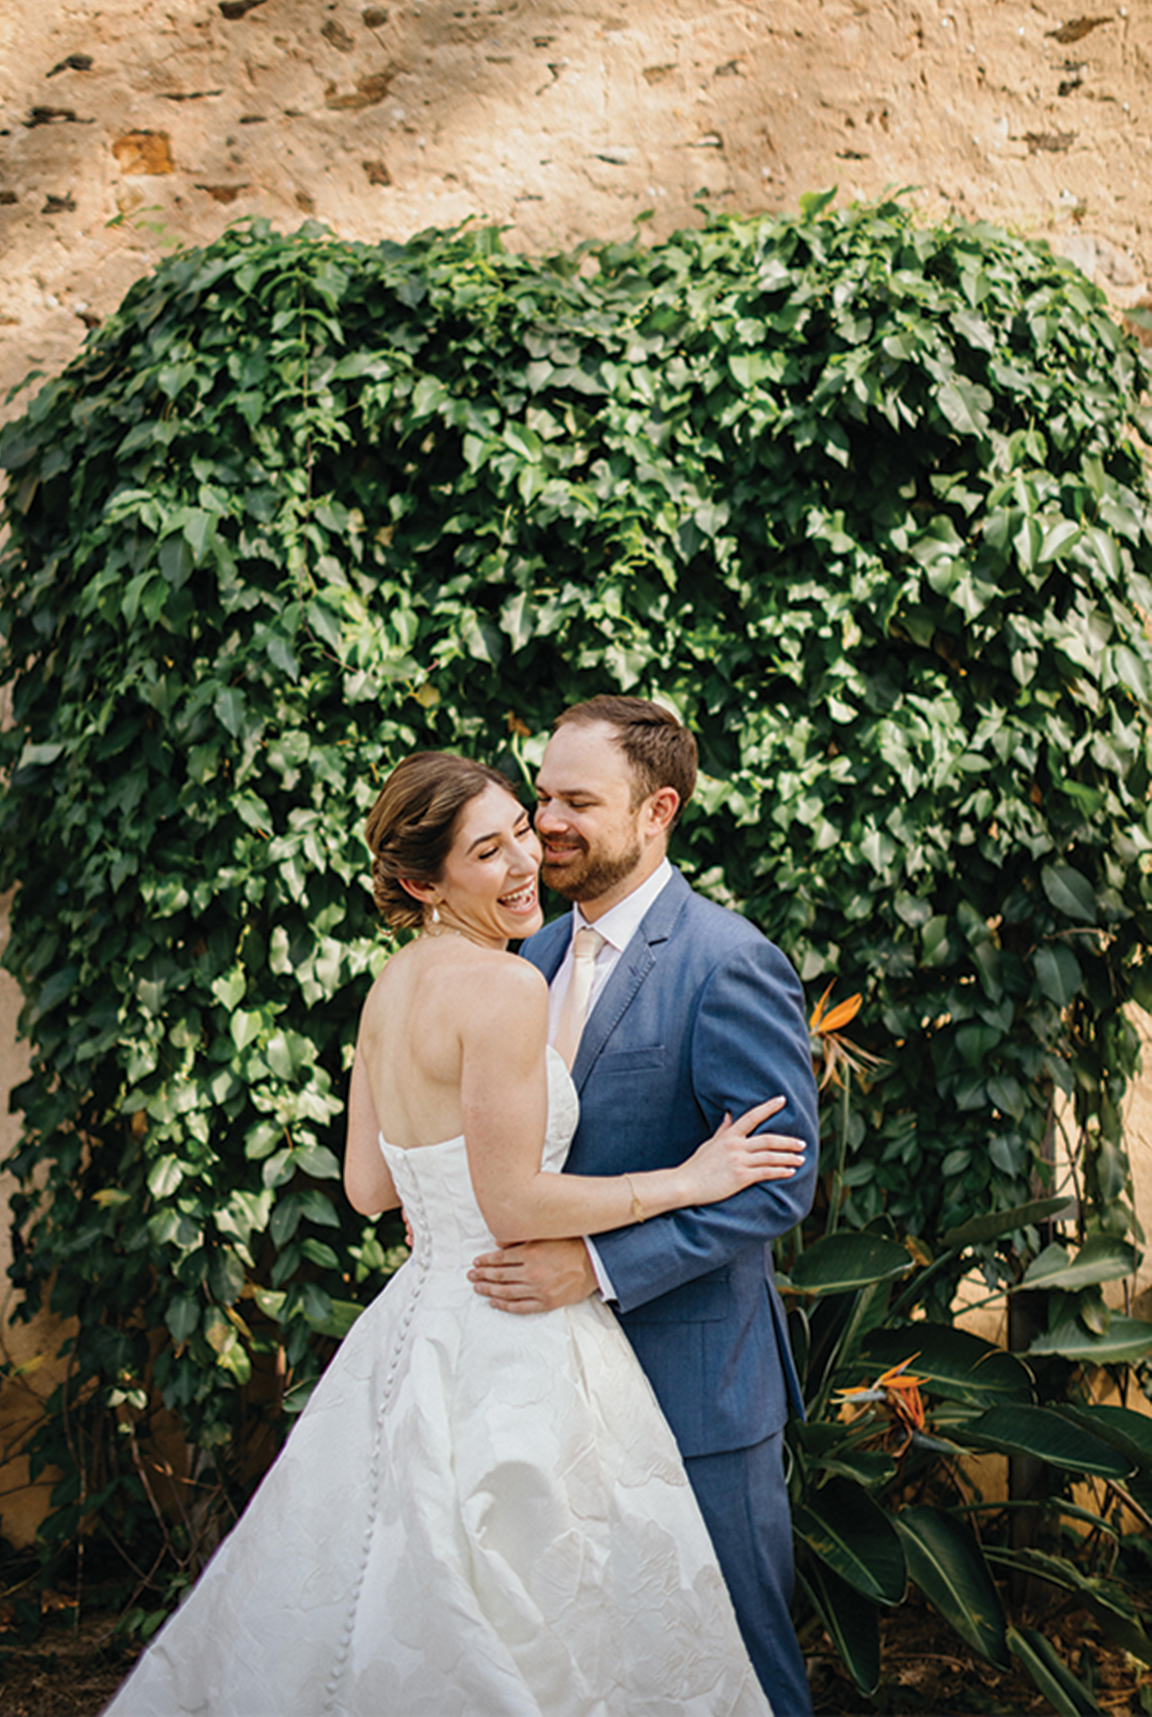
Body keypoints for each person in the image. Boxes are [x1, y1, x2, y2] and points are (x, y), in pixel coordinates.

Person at [104, 749, 804, 1717]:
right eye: (491, 848)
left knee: (383, 1582)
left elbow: (365, 1185)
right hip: (517, 1336)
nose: (527, 858)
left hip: (418, 1322)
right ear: (422, 881)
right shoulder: (511, 985)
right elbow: (515, 1204)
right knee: (556, 1608)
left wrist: (449, 1206)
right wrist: (684, 1177)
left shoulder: (392, 986)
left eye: (525, 826)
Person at [470, 696, 821, 1717]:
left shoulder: (727, 962)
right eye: (541, 795)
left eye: (578, 798)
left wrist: (597, 1265)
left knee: (740, 1664)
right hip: (553, 1385)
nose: (546, 822)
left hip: (695, 1384)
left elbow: (780, 1177)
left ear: (657, 807)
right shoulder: (523, 961)